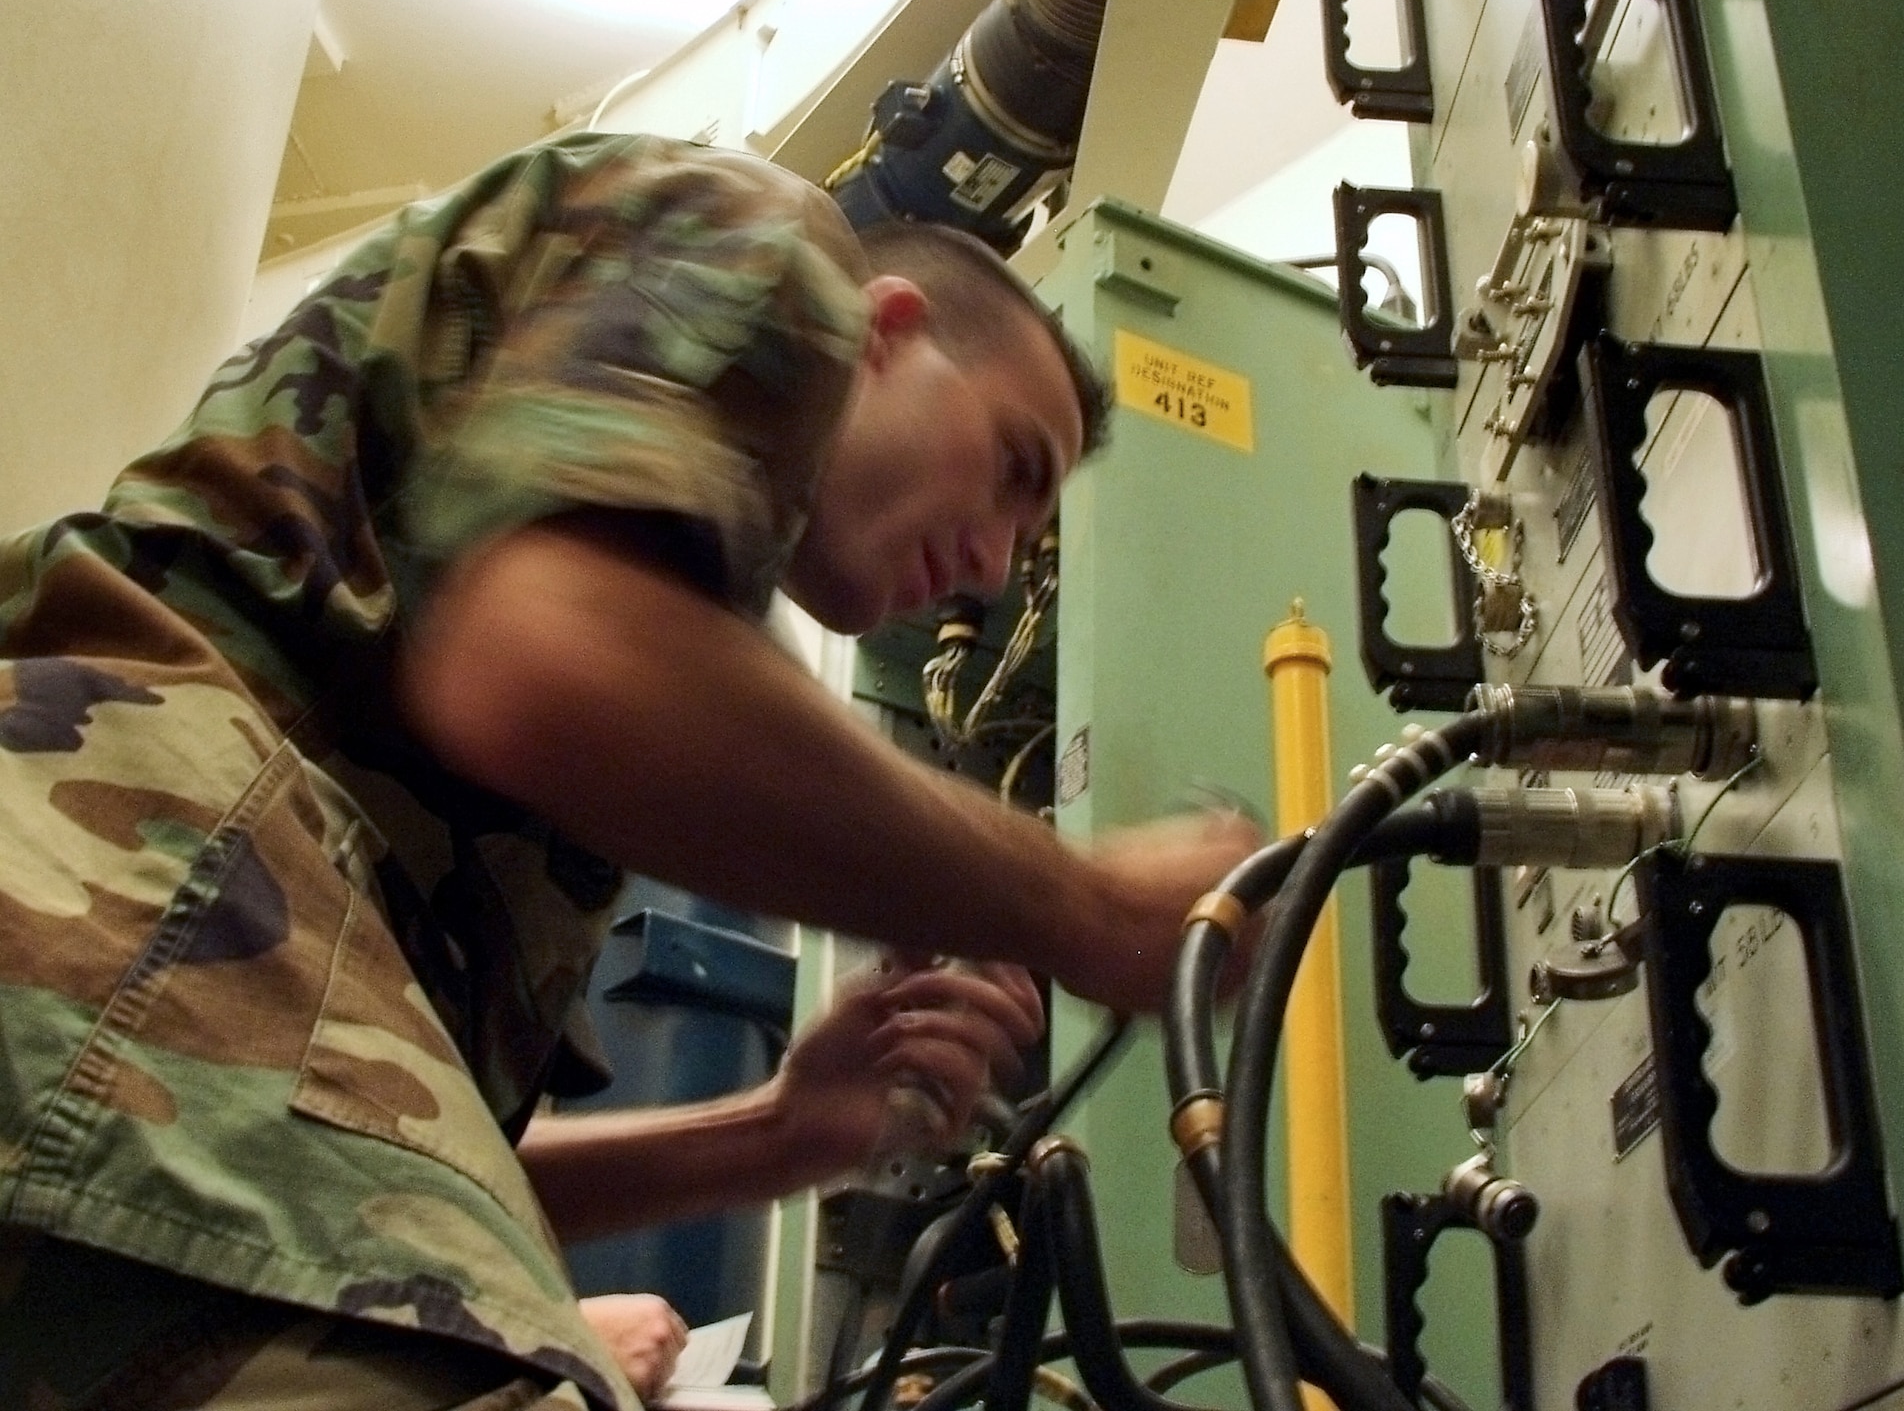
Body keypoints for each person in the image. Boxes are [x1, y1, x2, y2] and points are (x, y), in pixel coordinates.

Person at [0, 132, 1258, 1409]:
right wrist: (1084, 909)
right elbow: (549, 664)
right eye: (1009, 469)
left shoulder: (417, 833)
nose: (993, 562)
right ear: (883, 332)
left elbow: (385, 1165)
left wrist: (771, 1132)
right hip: (115, 876)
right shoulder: (775, 235)